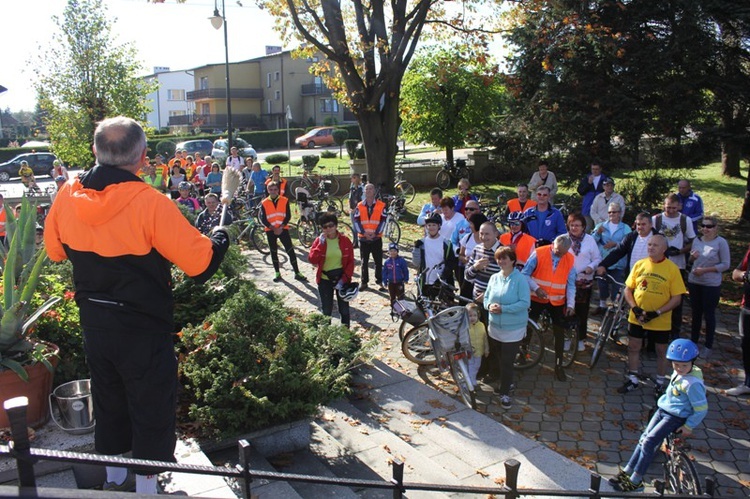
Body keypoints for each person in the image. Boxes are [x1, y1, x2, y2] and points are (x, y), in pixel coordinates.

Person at [44, 116, 229, 495]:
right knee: (151, 407)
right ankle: (147, 489)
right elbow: (201, 266)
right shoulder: (151, 203)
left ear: (95, 151)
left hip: (95, 324)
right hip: (142, 329)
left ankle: (114, 480)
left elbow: (55, 252)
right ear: (143, 158)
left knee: (109, 401)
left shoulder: (66, 194)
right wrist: (220, 237)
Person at [610, 339, 707, 493]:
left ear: (692, 362)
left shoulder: (693, 384)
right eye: (676, 365)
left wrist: (689, 426)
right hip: (663, 410)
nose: (679, 368)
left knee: (648, 442)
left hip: (674, 417)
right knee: (643, 438)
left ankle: (636, 481)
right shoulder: (679, 373)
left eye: (684, 365)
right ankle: (627, 472)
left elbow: (702, 409)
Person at [619, 234, 687, 394]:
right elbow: (628, 289)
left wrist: (657, 313)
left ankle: (660, 381)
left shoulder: (672, 269)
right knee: (634, 346)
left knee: (661, 351)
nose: (650, 248)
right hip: (637, 316)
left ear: (664, 249)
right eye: (649, 245)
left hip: (660, 319)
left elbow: (677, 298)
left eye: (655, 245)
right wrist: (635, 308)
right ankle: (633, 379)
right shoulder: (640, 264)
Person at [522, 234, 576, 381]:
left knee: (559, 332)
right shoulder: (539, 253)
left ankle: (558, 365)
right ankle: (522, 354)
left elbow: (571, 284)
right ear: (553, 244)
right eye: (558, 251)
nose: (560, 255)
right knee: (528, 327)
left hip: (557, 301)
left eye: (563, 253)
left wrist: (571, 304)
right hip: (536, 297)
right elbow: (524, 274)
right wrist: (536, 288)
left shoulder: (570, 259)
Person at [484, 246, 531, 409]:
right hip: (495, 327)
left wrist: (504, 309)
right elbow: (486, 298)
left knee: (507, 361)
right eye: (498, 258)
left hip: (513, 329)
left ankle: (504, 393)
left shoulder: (520, 279)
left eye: (504, 258)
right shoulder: (494, 278)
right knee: (498, 358)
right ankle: (507, 382)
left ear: (512, 260)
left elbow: (525, 303)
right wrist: (489, 305)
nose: (501, 261)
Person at [653, 193, 696, 339]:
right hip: (658, 265)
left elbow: (692, 241)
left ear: (679, 206)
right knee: (657, 296)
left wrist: (681, 251)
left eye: (673, 208)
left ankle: (674, 332)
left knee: (676, 300)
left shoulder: (685, 220)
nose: (670, 210)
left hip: (678, 265)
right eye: (667, 207)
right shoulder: (656, 220)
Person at [687, 215, 730, 358]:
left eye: (709, 226)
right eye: (703, 226)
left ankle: (708, 345)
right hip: (695, 282)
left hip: (711, 284)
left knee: (709, 314)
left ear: (716, 228)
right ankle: (693, 343)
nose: (705, 229)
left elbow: (725, 264)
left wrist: (706, 270)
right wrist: (692, 257)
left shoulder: (720, 242)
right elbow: (691, 260)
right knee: (696, 314)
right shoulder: (697, 241)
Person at [308, 213, 355, 328]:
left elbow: (350, 262)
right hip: (325, 279)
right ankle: (326, 336)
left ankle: (345, 335)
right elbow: (312, 259)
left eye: (331, 225)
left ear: (336, 226)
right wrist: (320, 244)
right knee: (327, 310)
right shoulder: (319, 241)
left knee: (344, 310)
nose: (328, 229)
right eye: (325, 227)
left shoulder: (345, 240)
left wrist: (344, 279)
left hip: (341, 278)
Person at [259, 181, 308, 283]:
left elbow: (288, 216)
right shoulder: (264, 203)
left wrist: (280, 227)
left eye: (275, 189)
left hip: (283, 229)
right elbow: (263, 219)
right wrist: (273, 228)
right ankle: (277, 273)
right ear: (268, 190)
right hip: (270, 230)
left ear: (278, 190)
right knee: (273, 252)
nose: (273, 191)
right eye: (271, 190)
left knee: (290, 250)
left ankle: (297, 272)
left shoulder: (284, 200)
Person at [567, 212, 600, 352]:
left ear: (583, 227)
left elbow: (597, 258)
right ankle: (567, 338)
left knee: (582, 312)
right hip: (566, 282)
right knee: (567, 311)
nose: (574, 228)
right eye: (572, 225)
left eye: (577, 225)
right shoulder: (563, 239)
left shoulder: (590, 240)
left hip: (583, 281)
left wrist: (590, 267)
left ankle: (580, 339)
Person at [591, 202, 631, 315]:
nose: (611, 214)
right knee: (602, 285)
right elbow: (592, 241)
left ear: (620, 213)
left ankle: (615, 308)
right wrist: (598, 233)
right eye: (609, 212)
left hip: (618, 262)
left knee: (616, 288)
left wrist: (616, 244)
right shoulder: (601, 226)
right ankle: (602, 306)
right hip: (603, 260)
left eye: (614, 212)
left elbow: (629, 244)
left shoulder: (625, 228)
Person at [413, 214, 458, 298]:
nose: (431, 227)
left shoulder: (446, 243)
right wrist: (416, 249)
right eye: (429, 225)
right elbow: (416, 263)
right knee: (423, 308)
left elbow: (450, 263)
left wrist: (442, 277)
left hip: (440, 282)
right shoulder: (422, 243)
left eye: (434, 225)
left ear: (439, 226)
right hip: (425, 281)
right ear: (426, 226)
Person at [353, 183, 386, 292]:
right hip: (363, 238)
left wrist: (376, 233)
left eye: (371, 189)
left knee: (378, 261)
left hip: (376, 238)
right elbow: (356, 220)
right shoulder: (359, 206)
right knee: (364, 261)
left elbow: (383, 221)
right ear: (364, 192)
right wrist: (363, 233)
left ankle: (380, 281)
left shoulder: (381, 205)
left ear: (374, 191)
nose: (369, 191)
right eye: (367, 189)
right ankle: (364, 282)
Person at [729, 246, 750, 396]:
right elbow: (735, 274)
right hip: (747, 307)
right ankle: (747, 384)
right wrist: (745, 275)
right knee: (747, 346)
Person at [465, 221, 501, 304]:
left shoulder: (503, 252)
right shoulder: (477, 249)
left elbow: (507, 282)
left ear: (495, 234)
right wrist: (475, 267)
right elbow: (467, 276)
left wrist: (488, 294)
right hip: (476, 300)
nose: (483, 237)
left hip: (495, 303)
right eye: (481, 234)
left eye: (487, 234)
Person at [458, 213, 488, 298]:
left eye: (471, 223)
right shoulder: (467, 238)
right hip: (468, 275)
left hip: (481, 278)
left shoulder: (487, 240)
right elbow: (460, 255)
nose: (469, 226)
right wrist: (465, 259)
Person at [576, 158, 611, 231]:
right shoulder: (586, 178)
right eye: (593, 169)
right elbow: (580, 191)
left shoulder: (605, 179)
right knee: (586, 229)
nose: (594, 171)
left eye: (596, 169)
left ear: (600, 169)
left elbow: (609, 192)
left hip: (601, 209)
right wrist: (588, 184)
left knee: (600, 229)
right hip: (588, 207)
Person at [465, 302, 489, 389]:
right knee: (469, 366)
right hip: (469, 352)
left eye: (474, 315)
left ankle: (472, 378)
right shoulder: (466, 327)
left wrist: (486, 348)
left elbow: (485, 337)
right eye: (470, 316)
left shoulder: (481, 325)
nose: (472, 318)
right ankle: (468, 382)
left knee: (476, 366)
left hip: (479, 351)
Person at [348, 173, 364, 248]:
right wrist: (350, 207)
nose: (351, 180)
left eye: (353, 178)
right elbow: (350, 197)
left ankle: (360, 241)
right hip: (352, 209)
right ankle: (355, 242)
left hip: (358, 210)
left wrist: (356, 209)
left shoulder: (361, 188)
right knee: (354, 226)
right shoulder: (352, 187)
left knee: (358, 226)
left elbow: (362, 201)